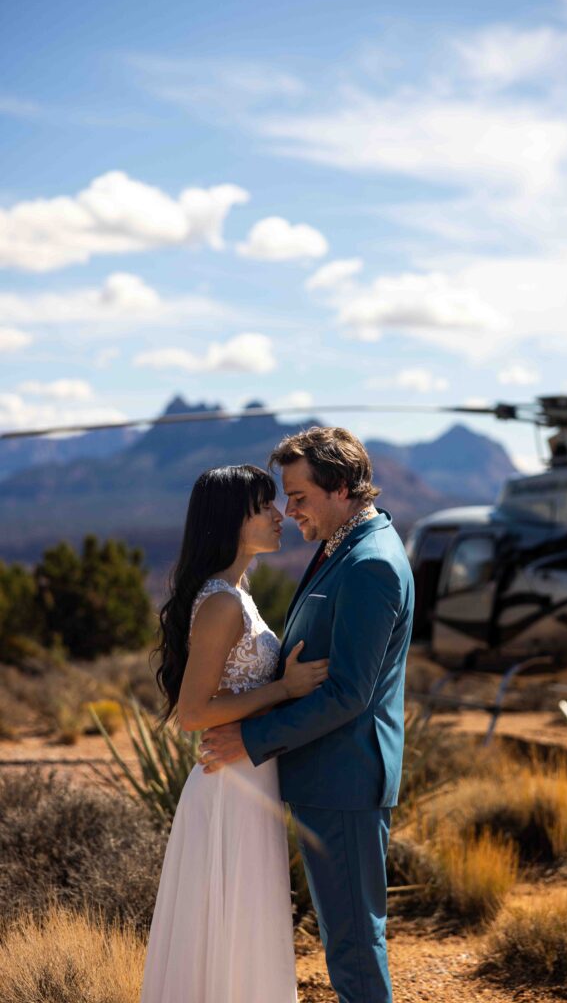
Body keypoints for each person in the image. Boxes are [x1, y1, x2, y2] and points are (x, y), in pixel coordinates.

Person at [201, 427, 415, 1003]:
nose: (287, 509)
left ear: (341, 487)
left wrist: (250, 738)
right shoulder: (341, 545)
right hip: (325, 774)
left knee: (353, 944)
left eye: (297, 496)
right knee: (346, 936)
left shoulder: (370, 564)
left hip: (344, 778)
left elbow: (349, 694)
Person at [139, 464, 329, 1003]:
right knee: (231, 922)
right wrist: (284, 689)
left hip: (249, 777)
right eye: (262, 507)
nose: (279, 516)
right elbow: (193, 712)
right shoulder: (222, 602)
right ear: (230, 520)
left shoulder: (236, 593)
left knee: (241, 922)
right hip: (231, 786)